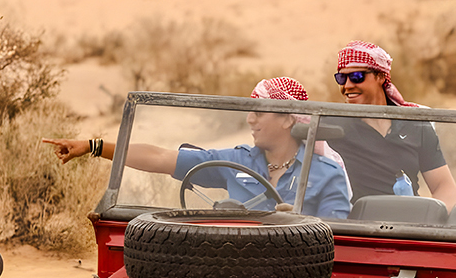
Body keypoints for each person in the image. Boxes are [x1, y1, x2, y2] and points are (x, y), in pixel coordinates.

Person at [41, 77, 351, 219]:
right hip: (230, 266)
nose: (250, 119)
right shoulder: (237, 161)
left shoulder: (326, 174)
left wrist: (293, 226)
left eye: (259, 111)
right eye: (249, 109)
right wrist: (94, 146)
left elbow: (337, 240)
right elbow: (160, 158)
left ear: (287, 120)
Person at [326, 40, 456, 208]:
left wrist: (431, 223)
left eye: (357, 77)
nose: (348, 85)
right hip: (356, 228)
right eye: (341, 78)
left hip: (407, 226)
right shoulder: (331, 126)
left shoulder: (415, 125)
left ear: (380, 76)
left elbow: (443, 186)